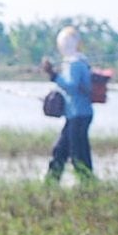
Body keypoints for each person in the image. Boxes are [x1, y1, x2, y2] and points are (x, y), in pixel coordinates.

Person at [40, 26, 95, 183]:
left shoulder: (75, 63)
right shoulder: (76, 62)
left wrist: (53, 75)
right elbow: (71, 89)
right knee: (61, 150)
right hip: (75, 115)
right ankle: (51, 182)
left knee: (78, 153)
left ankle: (88, 184)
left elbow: (71, 86)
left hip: (79, 115)